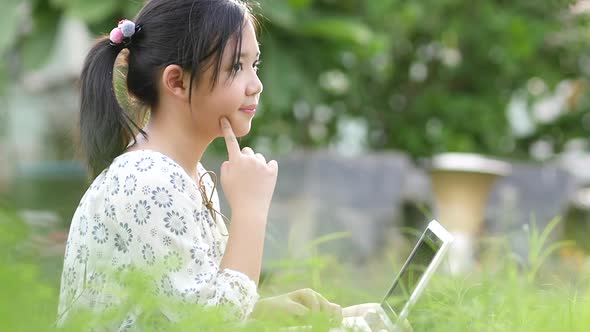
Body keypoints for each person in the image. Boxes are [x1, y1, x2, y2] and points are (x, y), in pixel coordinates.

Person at [57, 0, 341, 329]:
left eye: (255, 65)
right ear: (177, 82)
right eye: (236, 67)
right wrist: (251, 211)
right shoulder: (147, 180)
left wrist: (263, 310)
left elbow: (187, 306)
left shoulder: (191, 178)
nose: (256, 85)